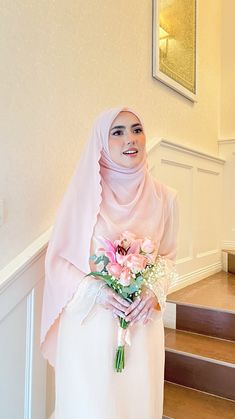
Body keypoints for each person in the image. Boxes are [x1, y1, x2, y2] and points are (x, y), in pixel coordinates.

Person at [40, 107, 179, 419]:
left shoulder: (166, 198)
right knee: (92, 406)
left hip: (141, 326)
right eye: (117, 132)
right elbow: (59, 261)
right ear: (102, 141)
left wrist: (153, 292)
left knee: (137, 404)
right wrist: (97, 292)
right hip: (91, 324)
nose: (129, 139)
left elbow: (168, 256)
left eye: (136, 129)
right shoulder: (84, 197)